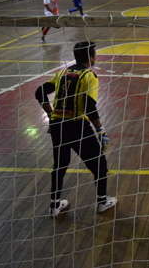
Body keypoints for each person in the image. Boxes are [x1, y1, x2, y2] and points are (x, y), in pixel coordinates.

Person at [35, 41, 117, 217]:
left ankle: (54, 205)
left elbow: (39, 92)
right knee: (99, 164)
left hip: (58, 126)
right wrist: (100, 130)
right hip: (77, 127)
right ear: (90, 57)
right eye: (94, 54)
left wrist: (51, 114)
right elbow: (89, 106)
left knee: (60, 165)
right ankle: (102, 202)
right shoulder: (89, 76)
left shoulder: (62, 73)